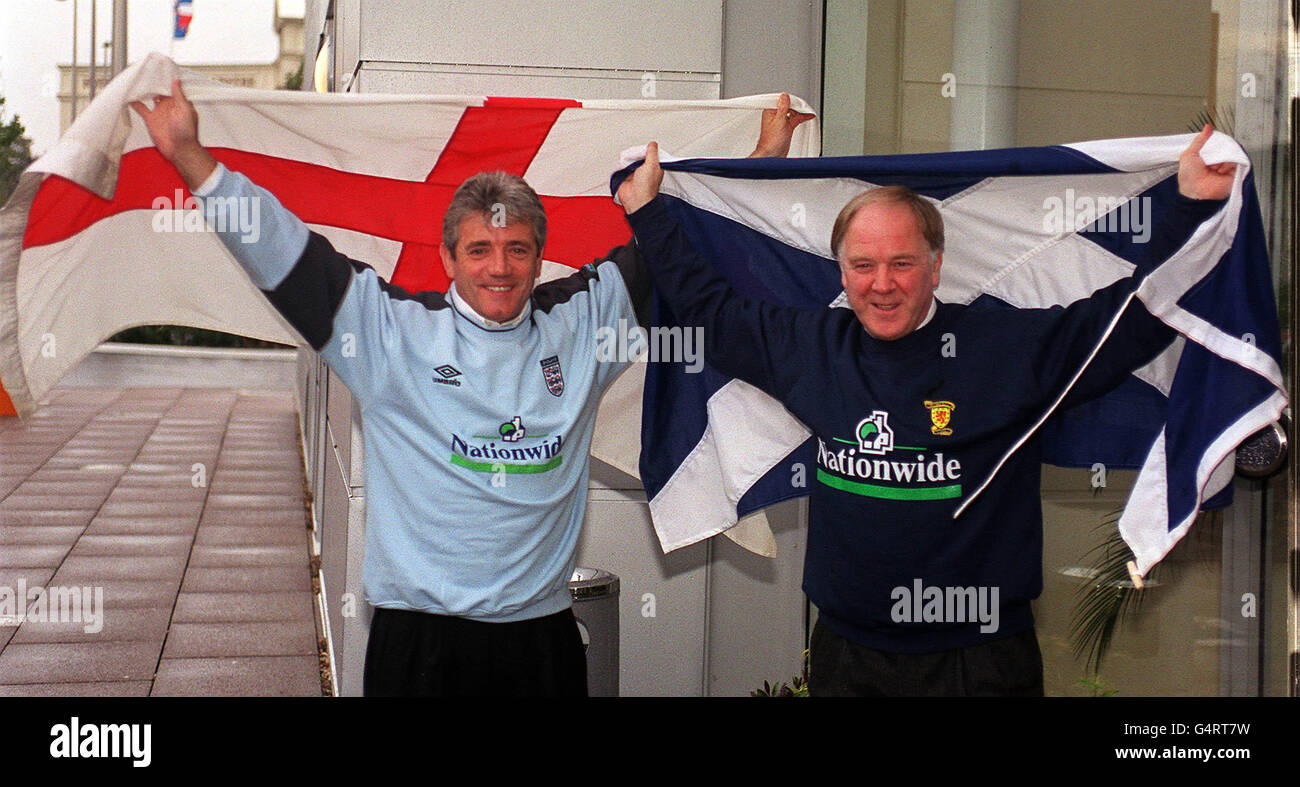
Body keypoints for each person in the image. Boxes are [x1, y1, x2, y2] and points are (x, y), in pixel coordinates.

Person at [130, 81, 811, 696]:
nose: (500, 267)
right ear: (447, 257)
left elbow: (679, 243)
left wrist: (762, 157)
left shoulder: (582, 323)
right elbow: (283, 251)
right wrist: (191, 157)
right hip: (419, 642)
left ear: (540, 257)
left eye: (517, 248)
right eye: (480, 250)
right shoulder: (390, 334)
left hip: (539, 641)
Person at [617, 128, 1235, 696]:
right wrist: (647, 212)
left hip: (980, 661)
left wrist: (1187, 205)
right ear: (842, 271)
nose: (882, 283)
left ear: (936, 267)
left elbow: (1126, 323)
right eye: (863, 265)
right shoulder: (811, 347)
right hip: (848, 657)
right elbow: (713, 313)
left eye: (902, 263)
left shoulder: (1001, 348)